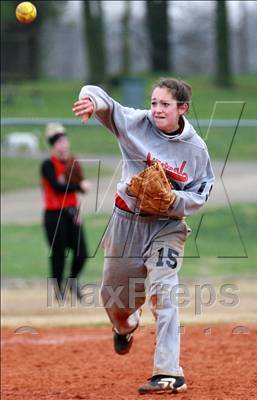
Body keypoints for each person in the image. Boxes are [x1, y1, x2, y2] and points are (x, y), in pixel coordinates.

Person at [72, 78, 214, 394]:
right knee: (114, 300)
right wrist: (91, 101)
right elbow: (99, 94)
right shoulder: (135, 123)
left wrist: (174, 201)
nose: (157, 109)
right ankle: (126, 326)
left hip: (168, 226)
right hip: (126, 222)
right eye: (154, 102)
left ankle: (169, 372)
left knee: (164, 291)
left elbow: (203, 191)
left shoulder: (195, 149)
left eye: (165, 104)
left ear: (182, 108)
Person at [40, 122, 91, 299]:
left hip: (72, 211)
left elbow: (78, 186)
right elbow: (57, 187)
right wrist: (79, 185)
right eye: (58, 141)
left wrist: (81, 186)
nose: (63, 144)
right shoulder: (48, 164)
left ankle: (72, 280)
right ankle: (58, 288)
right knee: (59, 253)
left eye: (64, 140)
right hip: (54, 214)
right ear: (53, 145)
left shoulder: (72, 162)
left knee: (82, 252)